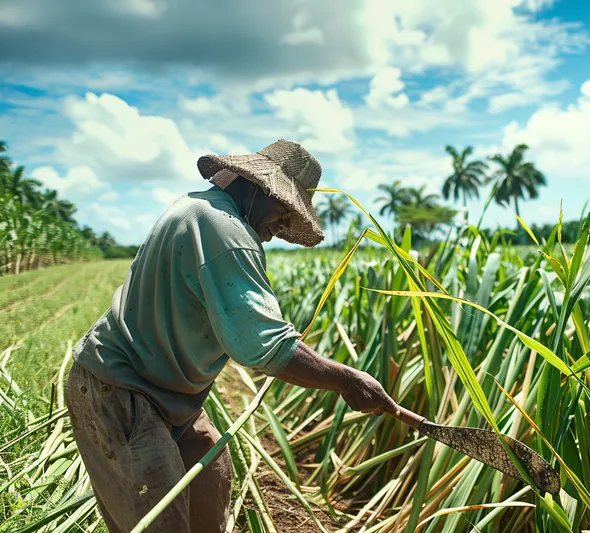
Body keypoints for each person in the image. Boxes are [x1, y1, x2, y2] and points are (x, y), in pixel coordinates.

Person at [65, 139, 396, 532]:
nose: (278, 229)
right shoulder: (225, 231)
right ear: (260, 188)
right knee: (160, 520)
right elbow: (263, 346)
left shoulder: (197, 205)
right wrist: (347, 379)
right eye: (283, 211)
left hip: (168, 395)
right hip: (122, 389)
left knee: (211, 470)